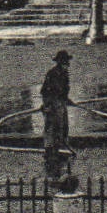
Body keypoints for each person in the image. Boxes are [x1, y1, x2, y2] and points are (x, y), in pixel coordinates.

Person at [40, 50, 73, 180]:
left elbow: (64, 91)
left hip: (61, 104)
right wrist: (47, 105)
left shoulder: (65, 74)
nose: (67, 64)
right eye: (65, 62)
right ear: (59, 62)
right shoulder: (52, 74)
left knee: (63, 127)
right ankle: (50, 153)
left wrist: (66, 99)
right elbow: (45, 91)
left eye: (67, 62)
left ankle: (61, 149)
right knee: (52, 129)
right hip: (52, 105)